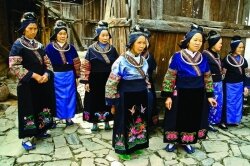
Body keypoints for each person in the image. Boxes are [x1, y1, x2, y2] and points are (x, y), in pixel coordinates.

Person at [161, 24, 217, 154]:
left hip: (197, 94)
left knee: (192, 118)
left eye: (200, 41)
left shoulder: (203, 58)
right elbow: (170, 76)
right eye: (195, 40)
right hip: (180, 93)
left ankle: (188, 141)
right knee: (175, 117)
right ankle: (172, 141)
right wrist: (168, 96)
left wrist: (210, 95)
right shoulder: (177, 56)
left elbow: (208, 77)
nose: (198, 43)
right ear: (188, 41)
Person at [9, 12, 54, 150]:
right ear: (24, 29)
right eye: (30, 29)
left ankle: (41, 130)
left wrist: (46, 74)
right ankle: (27, 138)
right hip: (27, 84)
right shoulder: (18, 45)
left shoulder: (39, 45)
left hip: (42, 84)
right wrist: (35, 76)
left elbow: (48, 63)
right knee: (28, 108)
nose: (33, 31)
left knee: (42, 106)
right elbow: (14, 66)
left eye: (35, 28)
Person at [105, 25, 149, 160]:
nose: (142, 46)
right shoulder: (121, 60)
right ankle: (122, 149)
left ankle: (136, 145)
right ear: (131, 44)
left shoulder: (143, 60)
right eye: (139, 43)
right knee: (124, 122)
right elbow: (111, 83)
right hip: (125, 96)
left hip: (141, 96)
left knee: (139, 120)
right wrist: (112, 102)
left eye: (144, 43)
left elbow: (145, 78)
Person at [80, 21, 119, 131]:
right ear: (98, 36)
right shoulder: (91, 49)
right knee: (93, 101)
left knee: (107, 100)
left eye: (107, 35)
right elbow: (85, 66)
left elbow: (117, 65)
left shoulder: (113, 50)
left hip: (109, 80)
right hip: (94, 80)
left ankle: (107, 121)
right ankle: (94, 123)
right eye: (103, 35)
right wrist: (86, 81)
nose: (105, 37)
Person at [45, 20, 81, 126]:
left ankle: (69, 118)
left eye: (64, 34)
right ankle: (58, 117)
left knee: (69, 96)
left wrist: (77, 76)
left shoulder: (71, 48)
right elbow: (46, 64)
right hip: (56, 76)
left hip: (69, 75)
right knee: (57, 97)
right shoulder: (49, 48)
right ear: (56, 35)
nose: (62, 36)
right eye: (60, 33)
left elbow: (77, 63)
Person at [221, 35, 248, 128]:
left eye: (242, 47)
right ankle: (227, 120)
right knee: (229, 103)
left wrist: (246, 86)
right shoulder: (226, 60)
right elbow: (223, 75)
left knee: (238, 103)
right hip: (229, 85)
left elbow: (246, 75)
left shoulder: (244, 61)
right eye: (239, 47)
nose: (241, 49)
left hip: (240, 85)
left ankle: (235, 120)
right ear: (234, 47)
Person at [202, 30, 223, 132]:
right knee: (209, 103)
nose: (221, 45)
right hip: (210, 83)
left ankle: (213, 121)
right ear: (214, 43)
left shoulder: (218, 55)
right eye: (220, 43)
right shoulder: (205, 55)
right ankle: (207, 122)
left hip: (219, 83)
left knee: (217, 103)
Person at [141, 29, 158, 126]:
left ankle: (148, 126)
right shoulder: (127, 57)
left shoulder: (149, 56)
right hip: (134, 85)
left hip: (148, 84)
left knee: (149, 103)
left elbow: (153, 70)